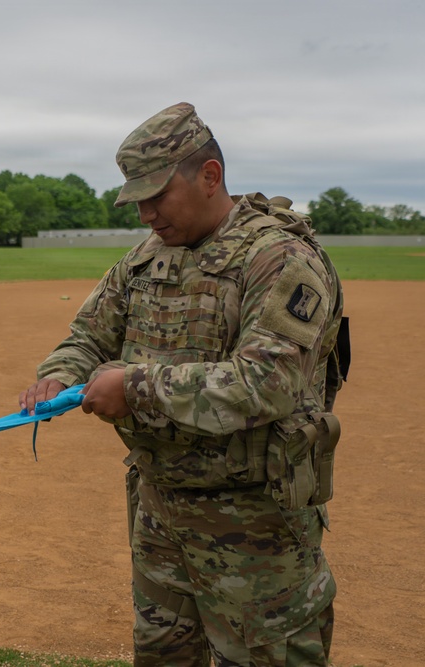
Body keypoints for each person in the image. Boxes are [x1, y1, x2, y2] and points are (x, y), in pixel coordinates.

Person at [19, 103, 346, 666]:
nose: (145, 214)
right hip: (159, 512)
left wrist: (136, 387)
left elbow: (266, 382)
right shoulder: (145, 259)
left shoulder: (279, 257)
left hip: (255, 524)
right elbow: (88, 336)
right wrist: (58, 374)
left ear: (210, 176)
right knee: (162, 655)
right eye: (137, 199)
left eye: (156, 195)